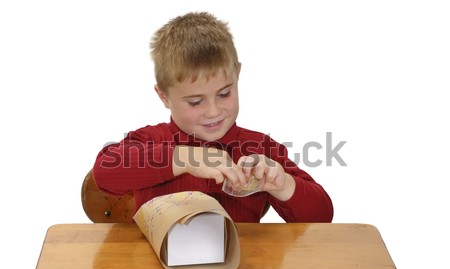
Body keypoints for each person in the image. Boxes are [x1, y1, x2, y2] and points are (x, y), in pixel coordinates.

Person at [92, 12, 333, 223]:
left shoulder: (260, 149)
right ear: (164, 96)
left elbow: (323, 217)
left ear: (237, 75)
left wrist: (283, 185)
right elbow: (104, 171)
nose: (214, 111)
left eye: (225, 93)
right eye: (196, 102)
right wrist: (187, 158)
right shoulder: (150, 140)